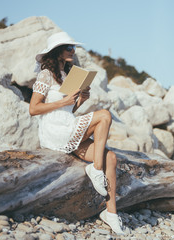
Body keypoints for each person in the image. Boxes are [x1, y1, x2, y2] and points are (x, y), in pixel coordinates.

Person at [29, 32, 125, 235]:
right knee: (104, 115)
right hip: (54, 130)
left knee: (112, 158)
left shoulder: (66, 75)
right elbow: (34, 109)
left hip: (68, 125)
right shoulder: (45, 74)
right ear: (57, 51)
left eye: (73, 47)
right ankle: (96, 169)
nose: (73, 51)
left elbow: (67, 111)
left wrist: (81, 100)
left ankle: (111, 213)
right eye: (68, 48)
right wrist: (63, 101)